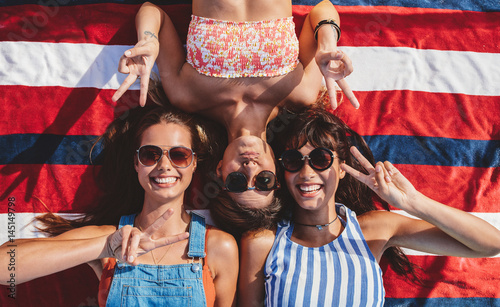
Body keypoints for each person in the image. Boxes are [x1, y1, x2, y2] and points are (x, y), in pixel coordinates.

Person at [110, 0, 356, 220]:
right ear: (277, 171)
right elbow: (322, 8)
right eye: (264, 181)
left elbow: (153, 11)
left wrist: (149, 40)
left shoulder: (186, 96)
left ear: (219, 172)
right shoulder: (301, 93)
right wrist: (327, 43)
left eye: (237, 182)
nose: (250, 168)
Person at [238, 107, 500, 306]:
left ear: (342, 169)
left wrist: (413, 202)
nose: (306, 172)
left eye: (320, 159)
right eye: (294, 160)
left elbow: (490, 244)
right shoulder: (263, 243)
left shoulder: (375, 229)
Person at [0, 105, 239, 306]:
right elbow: (5, 267)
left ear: (194, 163)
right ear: (136, 163)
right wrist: (104, 247)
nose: (165, 165)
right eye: (150, 154)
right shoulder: (109, 238)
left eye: (179, 155)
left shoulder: (218, 247)